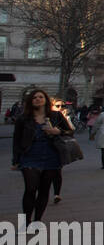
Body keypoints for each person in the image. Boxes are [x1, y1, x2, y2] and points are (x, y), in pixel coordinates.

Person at [10, 89, 73, 226]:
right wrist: (16, 160)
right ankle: (26, 222)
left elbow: (69, 131)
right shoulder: (23, 119)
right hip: (30, 156)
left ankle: (37, 221)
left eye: (40, 97)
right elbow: (17, 140)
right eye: (34, 98)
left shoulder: (56, 116)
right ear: (30, 101)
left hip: (51, 155)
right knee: (30, 189)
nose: (37, 99)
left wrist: (58, 131)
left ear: (46, 100)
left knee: (44, 190)